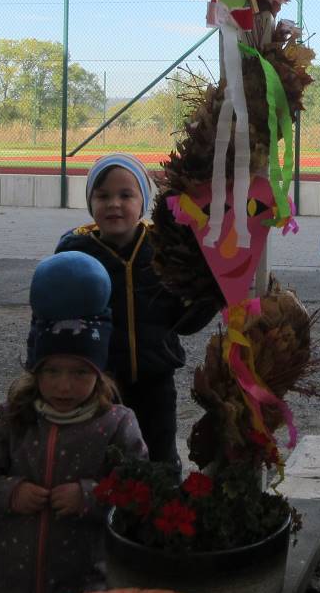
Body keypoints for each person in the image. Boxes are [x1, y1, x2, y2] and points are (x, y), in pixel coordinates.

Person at [0, 255, 148, 593]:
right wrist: (11, 493)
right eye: (52, 372)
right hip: (13, 592)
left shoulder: (115, 423)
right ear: (36, 371)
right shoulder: (15, 418)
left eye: (80, 373)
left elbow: (140, 491)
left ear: (99, 373)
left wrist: (89, 495)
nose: (65, 385)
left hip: (82, 591)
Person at [56, 153, 219, 469]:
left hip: (155, 380)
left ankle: (163, 497)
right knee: (103, 458)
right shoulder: (76, 254)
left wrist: (211, 295)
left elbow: (183, 321)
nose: (114, 204)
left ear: (143, 202)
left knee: (159, 456)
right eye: (102, 196)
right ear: (90, 203)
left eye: (125, 195)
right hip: (100, 384)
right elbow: (57, 317)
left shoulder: (162, 249)